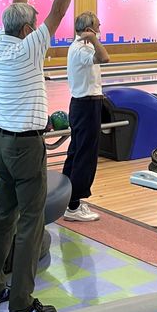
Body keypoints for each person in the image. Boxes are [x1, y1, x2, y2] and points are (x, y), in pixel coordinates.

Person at [0, 0, 85, 312]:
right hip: (26, 147)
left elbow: (14, 13)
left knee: (2, 216)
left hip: (1, 143)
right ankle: (21, 305)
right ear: (28, 30)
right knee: (30, 222)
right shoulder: (28, 49)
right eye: (33, 25)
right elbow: (58, 10)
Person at [63, 11, 110, 222]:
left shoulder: (81, 47)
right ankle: (74, 206)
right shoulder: (81, 49)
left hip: (83, 105)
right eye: (97, 26)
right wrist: (93, 39)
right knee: (85, 155)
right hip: (86, 105)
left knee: (76, 152)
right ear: (89, 29)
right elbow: (105, 58)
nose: (100, 29)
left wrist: (91, 39)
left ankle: (66, 198)